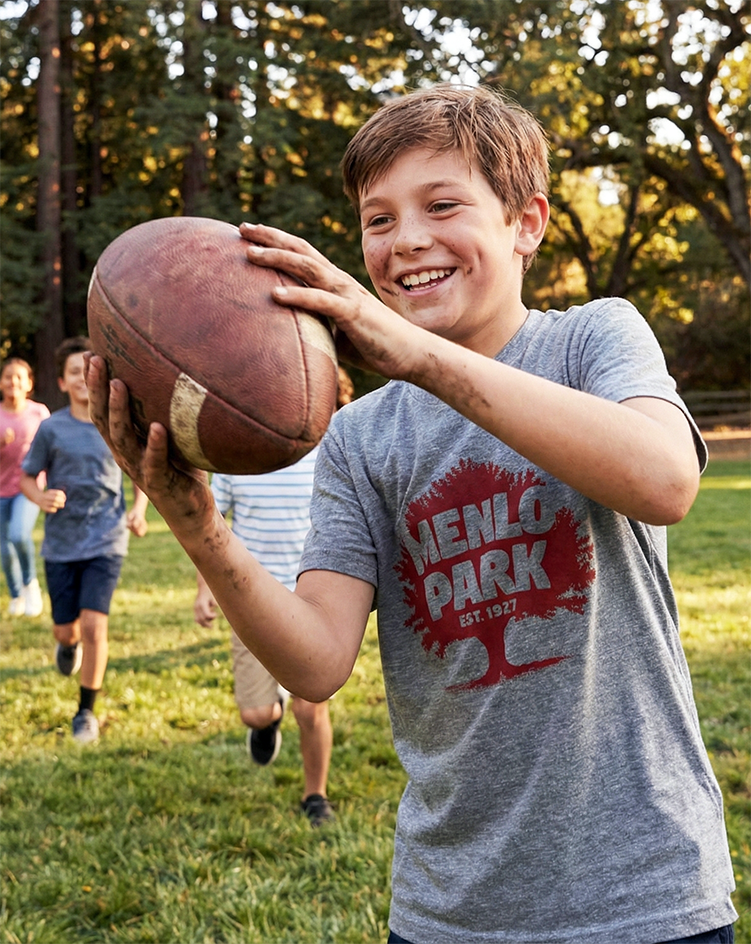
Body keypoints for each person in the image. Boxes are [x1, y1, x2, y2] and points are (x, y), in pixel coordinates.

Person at [87, 84, 737, 943]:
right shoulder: (359, 437)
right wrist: (197, 523)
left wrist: (422, 359)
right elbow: (316, 662)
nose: (407, 241)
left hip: (645, 892)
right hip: (451, 906)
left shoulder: (591, 339)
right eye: (378, 220)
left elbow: (663, 481)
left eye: (441, 205)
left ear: (526, 222)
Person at [194, 367, 353, 827]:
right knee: (255, 711)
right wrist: (206, 590)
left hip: (313, 596)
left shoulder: (330, 452)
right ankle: (268, 719)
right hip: (250, 601)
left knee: (312, 706)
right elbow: (212, 525)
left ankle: (315, 795)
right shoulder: (237, 457)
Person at [21, 337, 148, 745]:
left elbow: (138, 471)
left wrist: (139, 510)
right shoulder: (50, 428)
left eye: (87, 370)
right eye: (73, 371)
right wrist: (39, 496)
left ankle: (85, 713)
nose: (81, 378)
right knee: (67, 631)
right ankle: (66, 643)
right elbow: (26, 476)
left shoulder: (116, 425)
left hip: (106, 539)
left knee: (95, 625)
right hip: (61, 543)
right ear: (61, 381)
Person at [0, 357, 49, 617]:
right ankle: (16, 594)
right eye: (8, 376)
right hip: (0, 491)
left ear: (29, 383)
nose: (13, 382)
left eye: (19, 377)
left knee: (19, 535)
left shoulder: (39, 413)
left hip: (28, 487)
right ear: (1, 382)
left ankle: (30, 584)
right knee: (4, 551)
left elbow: (53, 449)